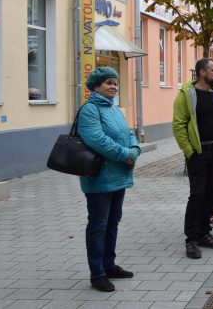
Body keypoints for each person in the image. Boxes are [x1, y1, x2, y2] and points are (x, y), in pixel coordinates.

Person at [77, 67, 140, 292]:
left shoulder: (114, 109)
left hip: (119, 174)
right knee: (98, 225)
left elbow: (129, 133)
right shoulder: (90, 110)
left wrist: (134, 149)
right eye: (108, 83)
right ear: (95, 86)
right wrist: (125, 155)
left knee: (113, 221)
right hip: (99, 177)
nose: (113, 86)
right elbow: (97, 139)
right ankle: (97, 274)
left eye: (115, 82)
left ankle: (109, 264)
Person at [173, 58, 213, 260]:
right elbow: (179, 124)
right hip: (198, 153)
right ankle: (191, 239)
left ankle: (204, 233)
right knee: (197, 194)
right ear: (201, 72)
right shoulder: (187, 94)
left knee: (211, 194)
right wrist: (189, 150)